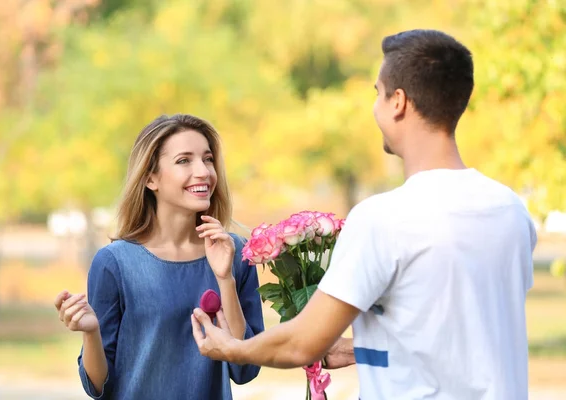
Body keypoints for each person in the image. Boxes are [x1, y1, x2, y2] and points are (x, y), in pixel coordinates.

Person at [191, 29, 537, 400]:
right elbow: (458, 331)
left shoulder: (384, 219)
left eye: (377, 93)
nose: (375, 106)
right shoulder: (511, 211)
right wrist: (358, 347)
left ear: (398, 102)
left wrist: (230, 348)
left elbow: (301, 343)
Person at [54, 114, 264, 400]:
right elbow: (98, 385)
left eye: (208, 159)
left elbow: (245, 370)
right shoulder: (115, 263)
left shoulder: (236, 254)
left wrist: (225, 279)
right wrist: (91, 333)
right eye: (184, 161)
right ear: (151, 178)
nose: (203, 171)